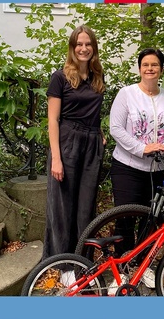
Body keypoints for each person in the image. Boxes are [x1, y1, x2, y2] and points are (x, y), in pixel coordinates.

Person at [108, 48, 164, 292]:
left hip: (158, 169)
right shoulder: (126, 94)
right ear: (139, 68)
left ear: (161, 69)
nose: (150, 68)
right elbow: (115, 128)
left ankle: (145, 266)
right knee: (125, 218)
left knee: (151, 220)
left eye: (155, 64)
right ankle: (121, 271)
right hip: (128, 167)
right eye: (145, 65)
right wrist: (143, 148)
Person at [43, 25, 107, 267]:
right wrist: (56, 158)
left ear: (94, 48)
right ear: (72, 48)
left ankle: (82, 262)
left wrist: (99, 131)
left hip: (91, 145)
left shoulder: (97, 76)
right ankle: (63, 265)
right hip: (67, 144)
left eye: (88, 44)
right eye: (79, 44)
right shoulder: (60, 77)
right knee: (63, 208)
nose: (83, 48)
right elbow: (53, 119)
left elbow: (94, 110)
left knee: (85, 209)